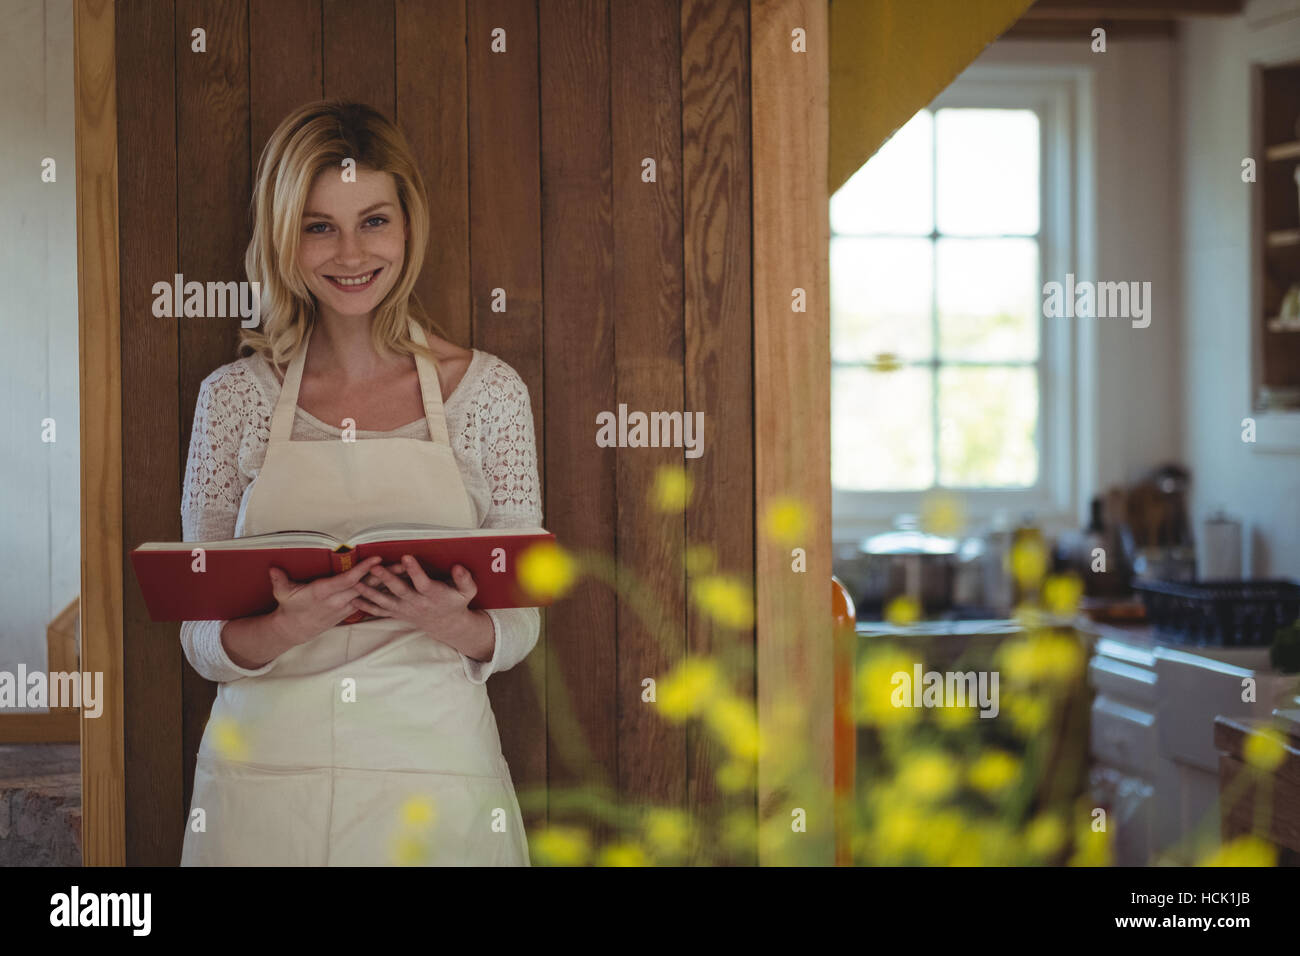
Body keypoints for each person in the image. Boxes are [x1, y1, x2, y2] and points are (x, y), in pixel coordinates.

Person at [177, 100, 540, 866]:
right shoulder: (233, 399)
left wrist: (454, 622)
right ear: (283, 236)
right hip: (263, 784)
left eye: (373, 221)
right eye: (319, 226)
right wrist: (286, 628)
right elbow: (199, 634)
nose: (350, 252)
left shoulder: (489, 394)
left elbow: (522, 618)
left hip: (436, 780)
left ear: (408, 226)